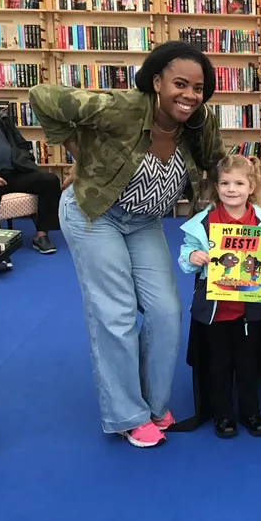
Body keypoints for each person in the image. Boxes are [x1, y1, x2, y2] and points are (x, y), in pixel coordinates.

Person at [28, 41, 226, 448]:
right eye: (180, 84)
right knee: (115, 312)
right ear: (157, 82)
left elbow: (217, 163)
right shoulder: (121, 107)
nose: (189, 95)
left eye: (198, 88)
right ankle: (126, 414)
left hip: (144, 221)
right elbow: (41, 96)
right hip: (95, 213)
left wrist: (257, 213)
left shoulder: (199, 121)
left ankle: (154, 405)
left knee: (167, 311)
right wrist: (75, 152)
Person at [178, 155, 261, 439]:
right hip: (216, 310)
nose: (231, 189)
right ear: (216, 186)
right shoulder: (204, 223)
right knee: (218, 365)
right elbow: (185, 256)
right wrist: (194, 256)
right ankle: (222, 415)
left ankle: (251, 411)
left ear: (252, 187)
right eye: (224, 183)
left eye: (239, 183)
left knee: (249, 364)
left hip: (249, 310)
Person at [0, 75, 60, 265]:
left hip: (12, 172)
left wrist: (25, 161)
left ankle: (41, 234)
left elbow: (21, 144)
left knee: (50, 181)